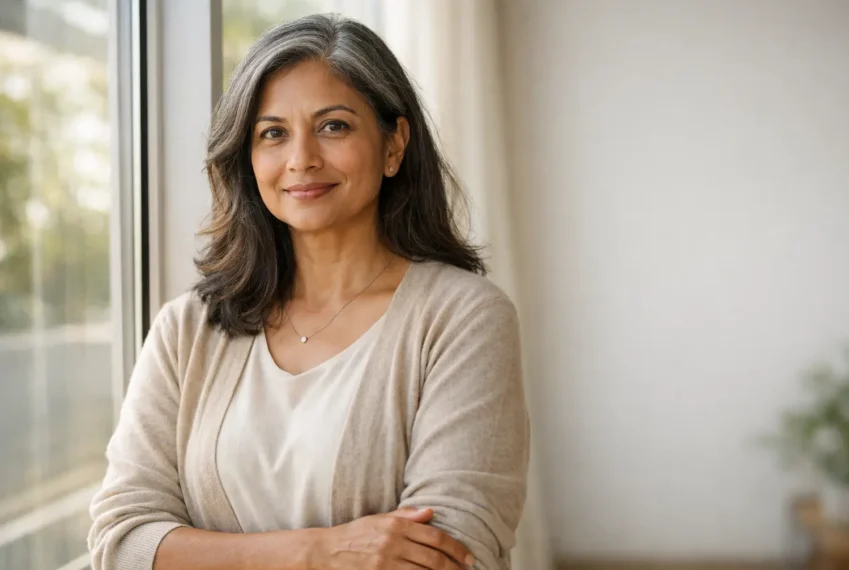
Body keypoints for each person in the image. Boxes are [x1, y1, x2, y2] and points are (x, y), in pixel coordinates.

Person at [88, 13, 529, 570]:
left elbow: (452, 553)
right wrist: (319, 551)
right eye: (273, 133)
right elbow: (123, 544)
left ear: (394, 145)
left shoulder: (463, 318)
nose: (301, 159)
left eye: (333, 126)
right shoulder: (187, 329)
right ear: (248, 158)